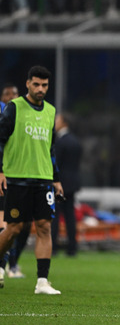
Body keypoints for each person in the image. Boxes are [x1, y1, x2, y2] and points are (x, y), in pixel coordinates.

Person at [0, 66, 63, 294]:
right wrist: (0, 171)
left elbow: (51, 148)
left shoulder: (50, 111)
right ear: (27, 84)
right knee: (14, 229)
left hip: (43, 178)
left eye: (44, 85)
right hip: (18, 178)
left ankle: (42, 281)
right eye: (36, 84)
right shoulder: (14, 107)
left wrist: (56, 179)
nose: (40, 89)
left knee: (44, 226)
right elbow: (1, 139)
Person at [0, 82, 30, 279]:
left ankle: (12, 264)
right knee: (6, 221)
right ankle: (3, 267)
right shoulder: (6, 114)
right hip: (5, 174)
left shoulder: (25, 112)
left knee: (22, 224)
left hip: (21, 174)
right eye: (8, 94)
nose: (12, 96)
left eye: (15, 93)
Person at [51, 112, 82, 257]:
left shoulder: (60, 142)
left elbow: (56, 163)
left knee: (55, 215)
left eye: (57, 120)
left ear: (64, 123)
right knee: (70, 217)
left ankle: (53, 247)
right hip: (72, 184)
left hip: (60, 184)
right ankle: (72, 248)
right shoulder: (76, 141)